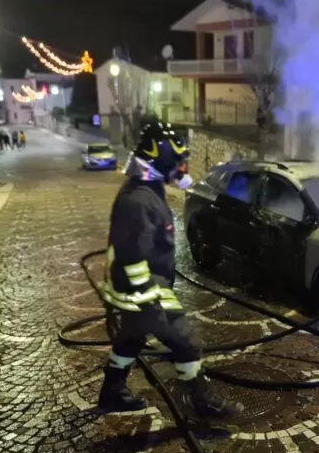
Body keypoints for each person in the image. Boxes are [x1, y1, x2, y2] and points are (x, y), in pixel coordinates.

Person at [97, 122, 243, 417]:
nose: (182, 167)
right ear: (160, 160)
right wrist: (151, 299)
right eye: (177, 162)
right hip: (142, 291)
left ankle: (112, 391)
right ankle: (202, 400)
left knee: (130, 339)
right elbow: (132, 256)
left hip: (133, 291)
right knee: (184, 339)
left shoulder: (147, 189)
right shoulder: (139, 201)